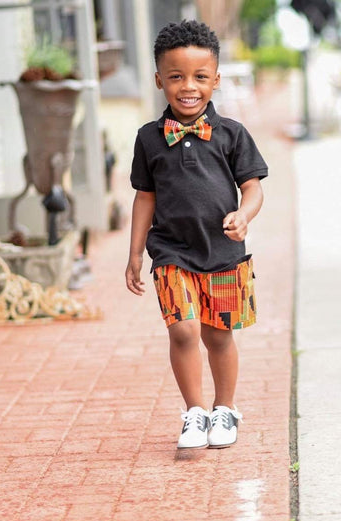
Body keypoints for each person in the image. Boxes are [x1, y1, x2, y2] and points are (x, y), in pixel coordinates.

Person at [125, 20, 268, 449]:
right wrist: (135, 253)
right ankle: (195, 412)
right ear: (158, 80)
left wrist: (244, 215)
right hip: (171, 251)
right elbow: (145, 198)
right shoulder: (149, 139)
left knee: (217, 335)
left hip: (223, 251)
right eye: (176, 77)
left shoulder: (232, 134)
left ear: (216, 80)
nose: (188, 86)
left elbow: (254, 187)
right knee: (183, 330)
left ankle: (225, 409)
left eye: (200, 77)